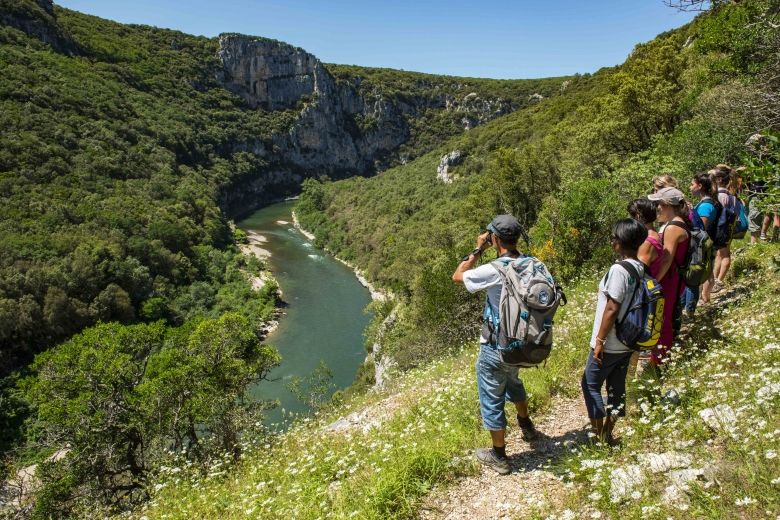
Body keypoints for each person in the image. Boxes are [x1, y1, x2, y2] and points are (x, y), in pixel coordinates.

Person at [452, 215, 537, 475]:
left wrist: (478, 249)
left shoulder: (495, 269)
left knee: (491, 395)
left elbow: (458, 276)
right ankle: (526, 424)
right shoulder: (532, 263)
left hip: (495, 345)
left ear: (496, 239)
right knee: (513, 380)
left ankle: (498, 455)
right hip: (523, 341)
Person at [581, 218, 648, 444]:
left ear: (621, 242)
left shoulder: (619, 270)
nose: (612, 241)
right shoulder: (640, 268)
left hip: (610, 342)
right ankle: (608, 432)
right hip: (628, 340)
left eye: (614, 237)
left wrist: (599, 341)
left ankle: (599, 437)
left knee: (590, 384)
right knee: (616, 387)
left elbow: (612, 307)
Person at [648, 187, 690, 368]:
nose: (657, 208)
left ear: (667, 205)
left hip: (669, 279)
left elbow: (666, 259)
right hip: (673, 278)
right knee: (663, 317)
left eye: (659, 204)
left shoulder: (673, 227)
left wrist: (654, 281)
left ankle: (660, 361)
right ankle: (660, 356)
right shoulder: (679, 222)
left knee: (662, 319)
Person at [682, 173, 719, 314]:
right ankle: (703, 300)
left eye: (692, 184)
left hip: (702, 246)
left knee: (696, 276)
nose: (690, 187)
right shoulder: (708, 202)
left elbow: (700, 229)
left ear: (700, 186)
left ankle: (697, 305)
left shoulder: (705, 206)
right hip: (708, 244)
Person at [711, 165, 734, 293]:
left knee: (724, 254)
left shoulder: (720, 195)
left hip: (722, 228)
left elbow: (719, 213)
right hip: (728, 227)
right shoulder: (730, 194)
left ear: (719, 179)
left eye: (713, 178)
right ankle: (716, 279)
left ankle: (719, 281)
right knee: (721, 254)